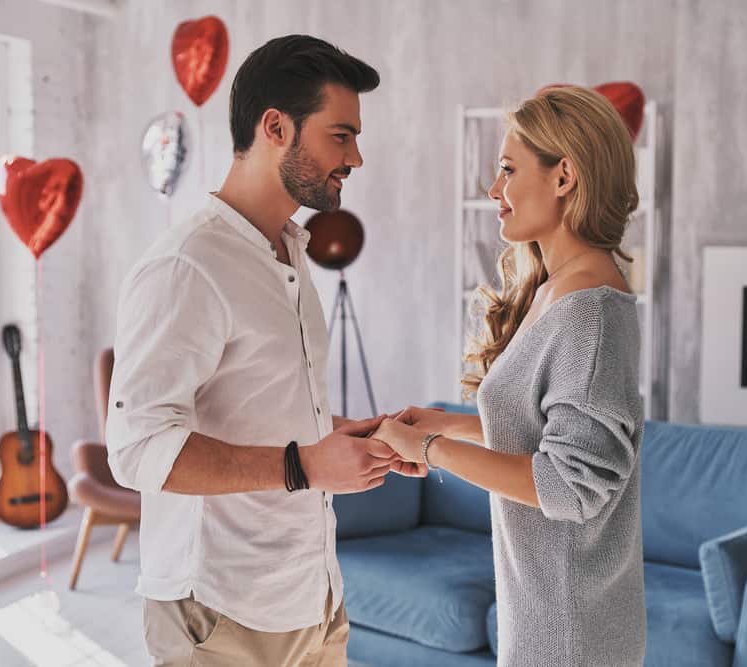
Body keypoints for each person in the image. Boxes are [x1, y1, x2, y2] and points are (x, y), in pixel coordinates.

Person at [106, 35, 420, 667]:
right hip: (220, 614)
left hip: (314, 600)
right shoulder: (186, 265)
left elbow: (260, 412)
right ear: (275, 126)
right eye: (341, 135)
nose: (356, 156)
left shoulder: (291, 251)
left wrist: (337, 439)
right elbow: (135, 450)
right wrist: (304, 464)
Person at [374, 85, 647, 667]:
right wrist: (448, 423)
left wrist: (430, 447)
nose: (494, 190)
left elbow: (568, 487)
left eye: (506, 169)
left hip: (572, 634)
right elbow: (542, 429)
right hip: (548, 618)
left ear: (564, 176)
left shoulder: (590, 312)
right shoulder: (555, 289)